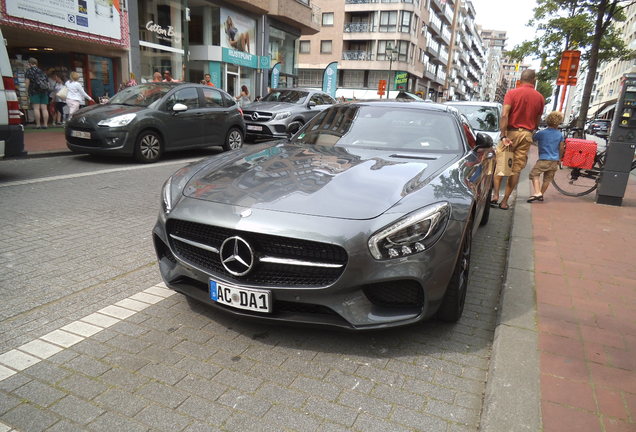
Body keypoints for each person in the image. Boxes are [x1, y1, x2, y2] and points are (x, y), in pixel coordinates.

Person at [492, 69, 545, 210]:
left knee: (501, 165)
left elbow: (504, 114)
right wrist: (530, 131)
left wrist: (503, 136)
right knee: (515, 170)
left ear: (520, 80)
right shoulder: (540, 97)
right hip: (526, 135)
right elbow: (537, 119)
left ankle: (495, 195)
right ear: (533, 80)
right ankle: (505, 202)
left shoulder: (512, 93)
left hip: (511, 133)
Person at [527, 111, 565, 203]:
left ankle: (537, 192)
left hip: (544, 159)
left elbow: (532, 139)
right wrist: (560, 158)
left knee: (534, 174)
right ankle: (541, 194)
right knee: (547, 179)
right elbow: (561, 147)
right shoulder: (560, 134)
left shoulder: (542, 133)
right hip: (554, 160)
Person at [24, 57, 50, 129]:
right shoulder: (42, 71)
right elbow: (48, 84)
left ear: (30, 63)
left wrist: (26, 91)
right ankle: (45, 125)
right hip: (44, 91)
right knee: (44, 109)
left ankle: (38, 125)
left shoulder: (29, 71)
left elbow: (27, 82)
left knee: (36, 108)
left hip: (34, 91)